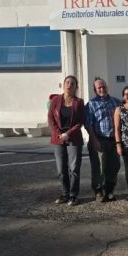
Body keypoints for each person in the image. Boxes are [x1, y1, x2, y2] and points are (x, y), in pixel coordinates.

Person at [48, 75, 85, 206]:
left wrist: (68, 133)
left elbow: (80, 121)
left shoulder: (79, 102)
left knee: (74, 169)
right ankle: (65, 194)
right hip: (58, 139)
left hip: (74, 138)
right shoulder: (55, 100)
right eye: (67, 82)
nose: (69, 85)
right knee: (61, 169)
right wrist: (59, 134)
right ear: (63, 85)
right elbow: (50, 118)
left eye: (72, 83)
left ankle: (74, 196)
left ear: (76, 87)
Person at [85, 77, 122, 202]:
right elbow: (88, 124)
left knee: (115, 166)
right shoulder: (91, 104)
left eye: (104, 86)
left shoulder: (117, 102)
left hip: (114, 140)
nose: (102, 89)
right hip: (98, 140)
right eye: (99, 87)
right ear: (95, 90)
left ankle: (109, 190)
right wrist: (94, 140)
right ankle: (98, 191)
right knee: (99, 168)